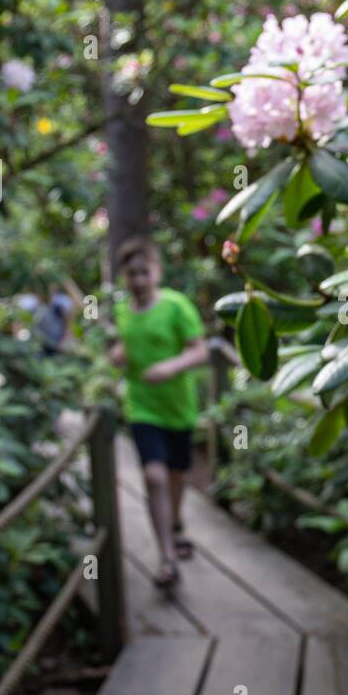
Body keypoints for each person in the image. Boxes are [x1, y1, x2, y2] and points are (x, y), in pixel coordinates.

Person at [109, 237, 208, 589]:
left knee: (177, 474)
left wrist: (170, 366)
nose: (137, 280)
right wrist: (120, 352)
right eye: (131, 273)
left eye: (143, 272)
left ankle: (176, 522)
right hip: (141, 407)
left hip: (178, 408)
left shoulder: (177, 306)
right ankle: (166, 558)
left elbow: (201, 351)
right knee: (154, 477)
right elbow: (127, 341)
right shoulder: (123, 310)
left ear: (157, 272)